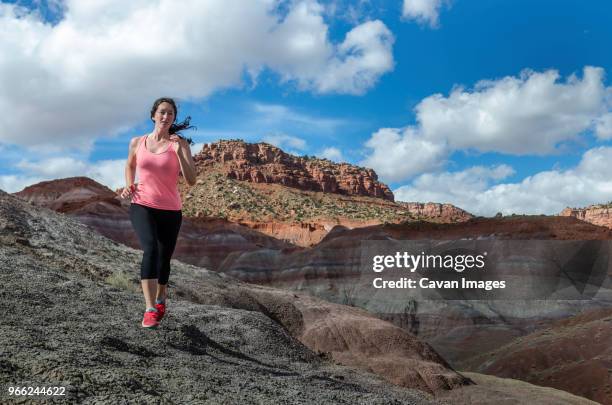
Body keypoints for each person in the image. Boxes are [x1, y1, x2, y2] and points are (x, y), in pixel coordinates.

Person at [118, 97, 197, 328]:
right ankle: (150, 308)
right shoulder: (137, 142)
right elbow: (130, 164)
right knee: (150, 249)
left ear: (173, 118)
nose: (166, 117)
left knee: (164, 259)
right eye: (162, 112)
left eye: (170, 114)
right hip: (142, 204)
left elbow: (191, 181)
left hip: (171, 210)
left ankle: (162, 295)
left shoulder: (179, 144)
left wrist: (181, 150)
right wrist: (129, 184)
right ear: (153, 115)